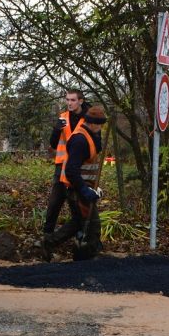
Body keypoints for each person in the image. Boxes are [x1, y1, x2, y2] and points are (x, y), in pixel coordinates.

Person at [42, 104, 105, 259]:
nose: (101, 127)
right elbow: (71, 170)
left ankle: (50, 243)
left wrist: (93, 187)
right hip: (77, 189)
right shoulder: (80, 140)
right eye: (99, 124)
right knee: (92, 224)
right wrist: (84, 190)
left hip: (81, 186)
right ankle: (88, 257)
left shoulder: (89, 136)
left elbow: (87, 166)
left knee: (77, 222)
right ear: (91, 123)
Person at [42, 89, 89, 240]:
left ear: (80, 101)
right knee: (55, 202)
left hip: (78, 168)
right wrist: (56, 130)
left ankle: (81, 235)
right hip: (61, 166)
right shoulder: (62, 118)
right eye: (67, 100)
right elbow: (54, 143)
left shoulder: (88, 119)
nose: (69, 103)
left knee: (77, 203)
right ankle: (47, 236)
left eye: (73, 100)